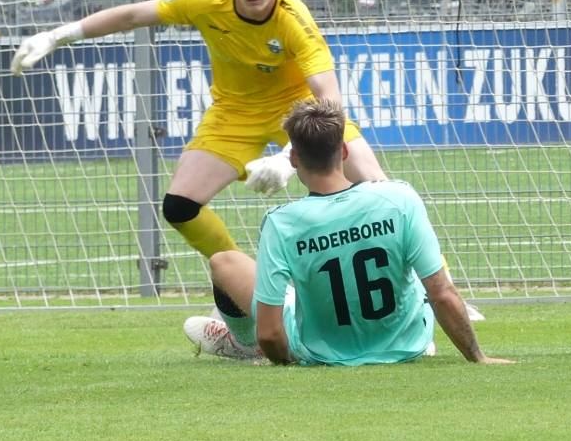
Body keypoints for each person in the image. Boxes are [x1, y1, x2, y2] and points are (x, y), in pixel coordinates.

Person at [13, 0, 387, 357]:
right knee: (180, 206)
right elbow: (133, 15)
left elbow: (329, 98)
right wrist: (56, 36)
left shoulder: (293, 18)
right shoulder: (205, 0)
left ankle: (429, 292)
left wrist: (289, 156)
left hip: (299, 111)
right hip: (234, 114)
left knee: (378, 189)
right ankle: (247, 293)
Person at [181, 99, 506, 366]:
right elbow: (443, 294)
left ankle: (242, 343)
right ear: (345, 151)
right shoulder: (399, 197)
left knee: (223, 262)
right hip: (409, 344)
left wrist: (287, 362)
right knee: (414, 276)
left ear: (293, 158)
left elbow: (270, 333)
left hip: (320, 351)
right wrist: (478, 357)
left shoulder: (282, 222)